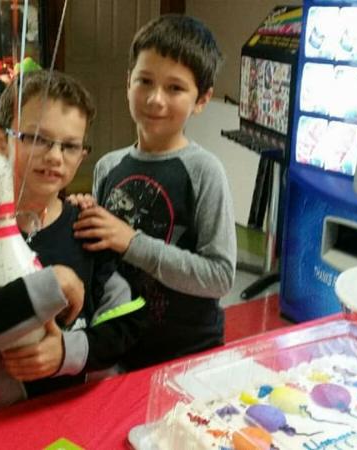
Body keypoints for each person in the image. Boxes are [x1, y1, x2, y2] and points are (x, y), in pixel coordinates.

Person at [0, 70, 145, 421]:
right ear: (0, 140)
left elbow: (126, 324)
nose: (54, 156)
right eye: (37, 138)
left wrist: (65, 352)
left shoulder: (88, 226)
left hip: (78, 411)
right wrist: (54, 282)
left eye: (70, 145)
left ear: (82, 154)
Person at [72, 15, 236, 370]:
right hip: (120, 349)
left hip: (190, 353)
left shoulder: (205, 171)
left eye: (175, 88)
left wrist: (132, 242)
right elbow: (101, 258)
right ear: (127, 82)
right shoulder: (107, 166)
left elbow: (220, 276)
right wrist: (79, 218)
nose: (155, 99)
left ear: (202, 99)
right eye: (144, 81)